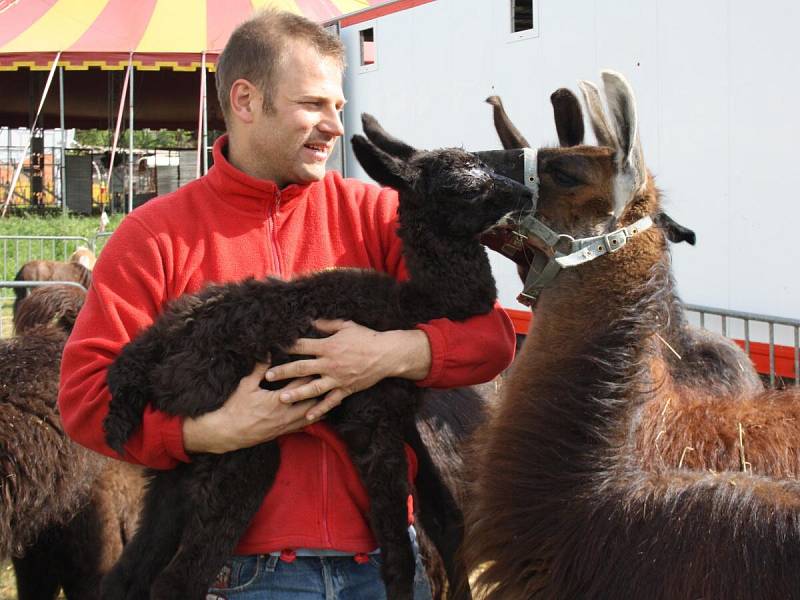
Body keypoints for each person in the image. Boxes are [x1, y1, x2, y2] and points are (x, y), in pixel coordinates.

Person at [58, 9, 515, 599]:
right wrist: (206, 432)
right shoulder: (154, 237)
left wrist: (389, 352)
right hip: (235, 575)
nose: (332, 125)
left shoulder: (376, 215)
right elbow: (86, 396)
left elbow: (490, 338)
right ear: (246, 101)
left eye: (339, 108)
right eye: (313, 105)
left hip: (384, 566)